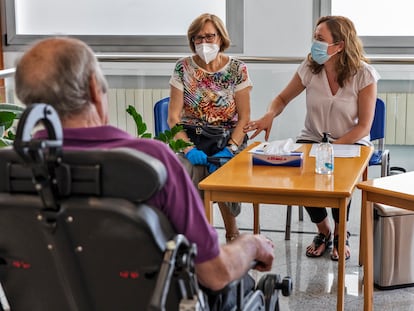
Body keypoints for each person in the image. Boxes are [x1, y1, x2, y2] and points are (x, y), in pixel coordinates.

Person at [14, 37, 274, 310]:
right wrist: (252, 244)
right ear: (94, 88)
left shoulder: (13, 167)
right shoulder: (150, 161)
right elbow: (215, 273)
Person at [244, 16, 379, 261]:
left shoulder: (364, 74)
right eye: (314, 37)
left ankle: (341, 233)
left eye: (320, 38)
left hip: (351, 140)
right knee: (302, 174)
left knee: (340, 177)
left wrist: (331, 148)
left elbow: (364, 126)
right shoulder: (310, 67)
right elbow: (282, 99)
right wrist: (269, 115)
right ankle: (324, 230)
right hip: (313, 138)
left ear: (339, 45)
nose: (314, 43)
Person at [168, 13, 252, 243]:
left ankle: (232, 232)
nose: (204, 43)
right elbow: (173, 119)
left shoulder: (237, 69)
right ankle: (197, 235)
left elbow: (244, 118)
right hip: (193, 139)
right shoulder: (182, 68)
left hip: (228, 139)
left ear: (220, 38)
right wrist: (187, 149)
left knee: (225, 171)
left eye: (209, 36)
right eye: (198, 38)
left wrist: (231, 148)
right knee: (185, 170)